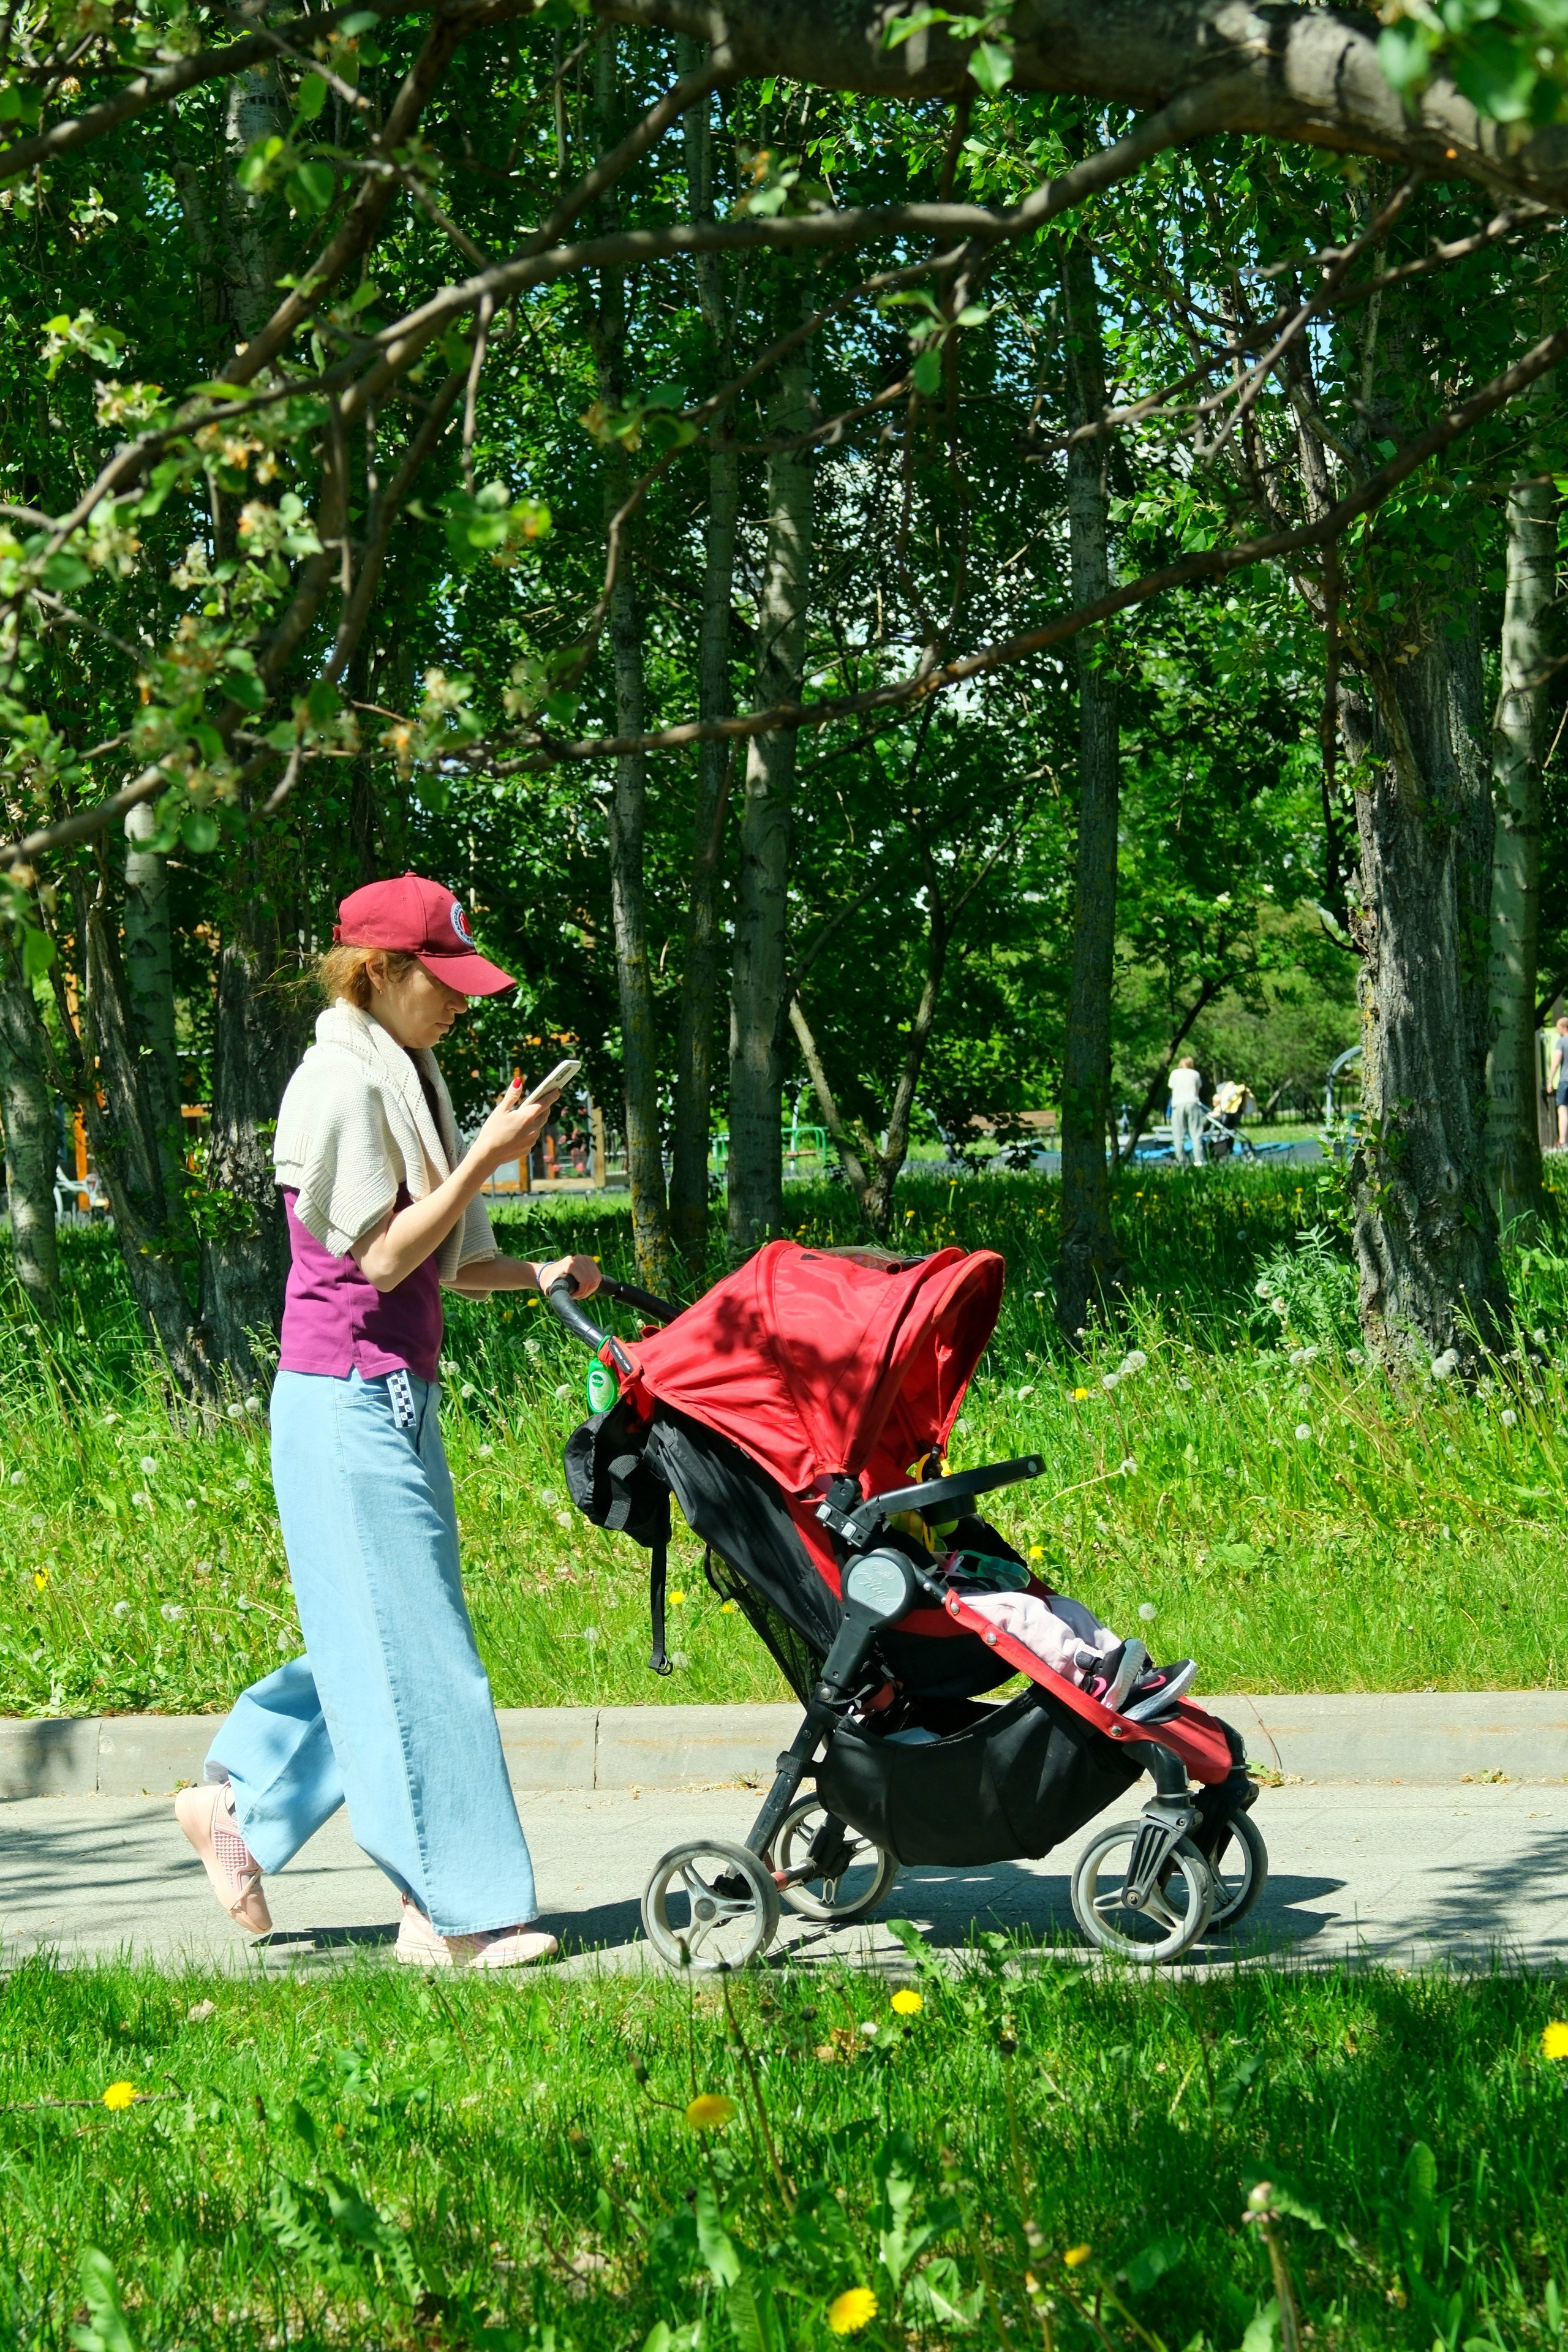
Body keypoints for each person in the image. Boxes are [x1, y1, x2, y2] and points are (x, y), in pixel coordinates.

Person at [176, 874, 600, 1969]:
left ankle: (246, 1808)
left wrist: (538, 1268)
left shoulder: (409, 1071)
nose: (461, 1003)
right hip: (342, 1399)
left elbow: (451, 1264)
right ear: (380, 974)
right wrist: (484, 1162)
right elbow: (380, 1255)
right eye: (443, 983)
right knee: (417, 1654)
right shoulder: (339, 1084)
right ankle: (452, 1914)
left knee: (377, 1637)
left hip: (389, 1396)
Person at [1168, 1054, 1205, 1166]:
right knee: (1196, 1134)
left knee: (1178, 1135)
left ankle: (1181, 1160)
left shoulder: (1174, 1073)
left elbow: (1171, 1087)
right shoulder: (1195, 1074)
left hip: (1178, 1104)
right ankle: (1199, 1160)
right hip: (1193, 1103)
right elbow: (1198, 1089)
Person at [1551, 1016, 1568, 1151]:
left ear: (1564, 1028)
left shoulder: (1562, 1042)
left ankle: (1563, 1141)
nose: (1558, 1031)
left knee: (1563, 1109)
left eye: (1558, 1029)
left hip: (1565, 1080)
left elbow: (1556, 1061)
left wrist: (1550, 1080)